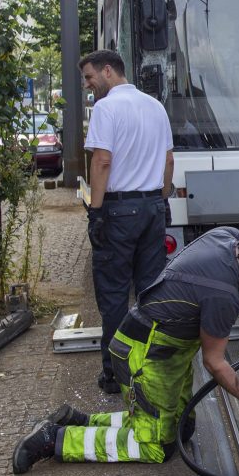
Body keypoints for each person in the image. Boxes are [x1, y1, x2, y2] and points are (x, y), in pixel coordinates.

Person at [12, 227, 239, 473]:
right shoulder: (222, 294)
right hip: (145, 357)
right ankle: (55, 438)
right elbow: (215, 363)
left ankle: (79, 419)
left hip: (167, 353)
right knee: (156, 447)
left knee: (182, 429)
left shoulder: (231, 239)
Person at [79, 49, 174, 394]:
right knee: (150, 292)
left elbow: (102, 161)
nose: (88, 86)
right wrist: (161, 201)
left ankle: (116, 374)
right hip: (152, 208)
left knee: (114, 294)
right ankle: (150, 365)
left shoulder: (106, 108)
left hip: (119, 213)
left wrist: (97, 211)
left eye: (89, 78)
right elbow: (168, 162)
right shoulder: (156, 107)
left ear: (107, 71)